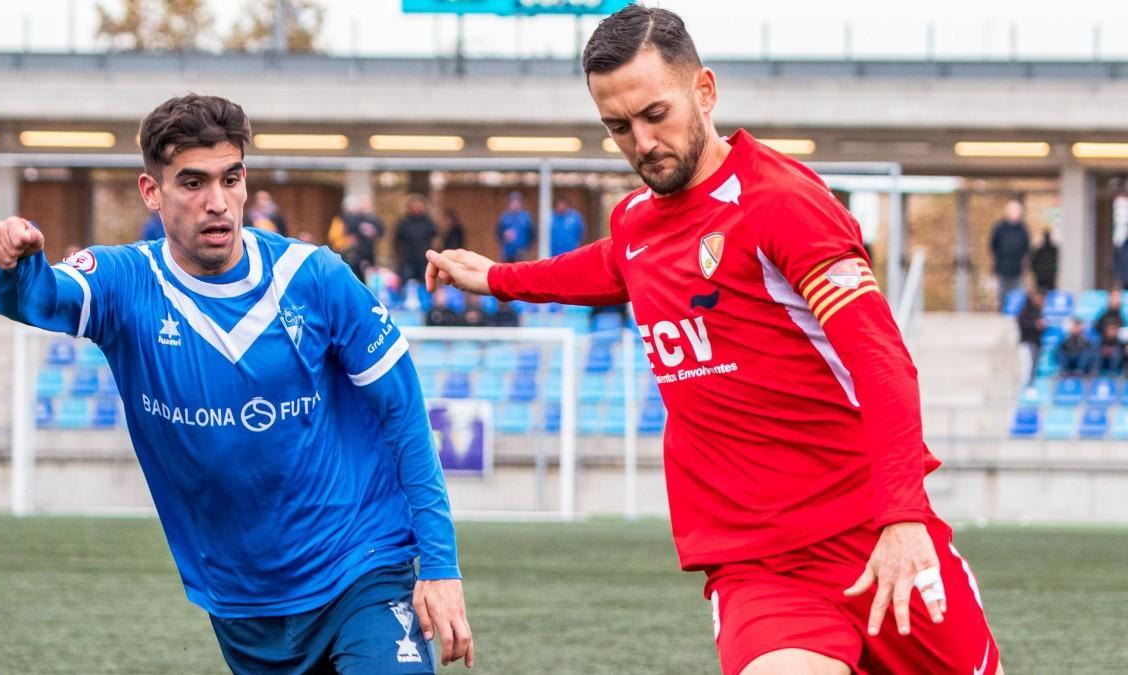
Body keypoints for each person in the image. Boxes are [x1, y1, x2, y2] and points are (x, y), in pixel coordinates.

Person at [424, 7, 1001, 675]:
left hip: (872, 531)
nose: (640, 142)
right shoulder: (637, 222)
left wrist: (903, 516)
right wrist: (497, 277)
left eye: (654, 115)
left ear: (705, 90)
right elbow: (610, 265)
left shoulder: (781, 203)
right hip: (759, 568)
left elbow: (881, 359)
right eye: (618, 127)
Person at [0, 94, 473, 672]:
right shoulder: (128, 284)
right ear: (152, 192)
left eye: (230, 178)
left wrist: (440, 566)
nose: (217, 203)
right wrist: (14, 265)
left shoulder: (314, 277)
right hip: (243, 600)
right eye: (192, 183)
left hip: (361, 567)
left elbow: (404, 413)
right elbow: (40, 298)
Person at [989, 199, 1030, 308]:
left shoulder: (1023, 229)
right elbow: (993, 245)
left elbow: (1026, 247)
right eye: (1012, 210)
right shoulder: (999, 227)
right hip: (1002, 266)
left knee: (1018, 294)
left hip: (1017, 267)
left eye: (1016, 210)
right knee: (1003, 293)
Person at [395, 194, 439, 286]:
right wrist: (400, 255)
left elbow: (436, 239)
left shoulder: (428, 222)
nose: (416, 209)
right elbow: (397, 240)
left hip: (424, 259)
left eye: (419, 206)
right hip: (407, 259)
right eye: (414, 206)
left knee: (426, 282)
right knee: (406, 282)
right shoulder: (404, 222)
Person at [1017, 288, 1045, 387]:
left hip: (1037, 343)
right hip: (1027, 342)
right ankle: (1025, 387)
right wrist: (1035, 325)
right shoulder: (1025, 311)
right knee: (1026, 368)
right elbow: (1022, 324)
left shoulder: (1040, 311)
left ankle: (1030, 386)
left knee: (1033, 367)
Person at [496, 191, 533, 262]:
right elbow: (498, 233)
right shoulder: (504, 217)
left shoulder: (526, 218)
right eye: (513, 202)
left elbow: (532, 234)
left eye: (517, 202)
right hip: (507, 253)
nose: (515, 204)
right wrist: (504, 235)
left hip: (521, 253)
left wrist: (527, 248)